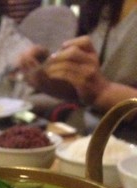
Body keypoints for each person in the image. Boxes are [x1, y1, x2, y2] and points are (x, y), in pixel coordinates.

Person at [17, 0, 137, 139]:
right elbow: (86, 92)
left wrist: (104, 92)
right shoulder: (104, 6)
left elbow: (100, 90)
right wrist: (47, 72)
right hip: (87, 136)